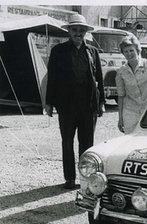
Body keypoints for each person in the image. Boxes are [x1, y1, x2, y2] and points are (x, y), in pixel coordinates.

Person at [45, 14, 105, 189]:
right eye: (74, 30)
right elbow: (52, 78)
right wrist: (49, 103)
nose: (78, 33)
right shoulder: (58, 51)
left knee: (87, 144)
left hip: (88, 106)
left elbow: (99, 78)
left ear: (85, 32)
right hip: (66, 105)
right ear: (69, 31)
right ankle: (69, 178)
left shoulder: (92, 51)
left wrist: (101, 103)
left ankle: (85, 178)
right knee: (67, 142)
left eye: (81, 30)